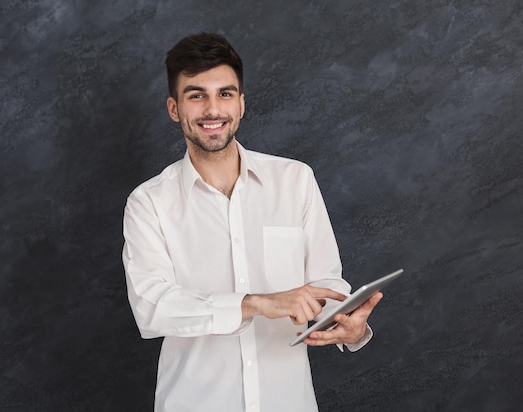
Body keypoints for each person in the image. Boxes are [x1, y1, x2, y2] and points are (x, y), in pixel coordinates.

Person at [122, 32, 383, 412]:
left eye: (225, 94)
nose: (213, 110)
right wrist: (255, 304)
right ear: (174, 108)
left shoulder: (295, 181)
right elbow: (153, 307)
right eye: (197, 95)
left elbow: (325, 283)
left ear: (242, 104)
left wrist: (347, 325)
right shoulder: (149, 202)